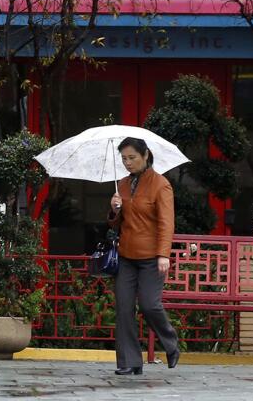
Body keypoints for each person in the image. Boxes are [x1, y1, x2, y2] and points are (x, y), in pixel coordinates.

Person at [107, 136, 180, 376]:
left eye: (132, 158)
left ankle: (170, 343)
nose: (128, 163)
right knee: (124, 307)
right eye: (124, 159)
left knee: (149, 305)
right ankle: (129, 362)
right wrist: (114, 209)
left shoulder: (161, 185)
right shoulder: (123, 185)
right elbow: (115, 225)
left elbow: (166, 223)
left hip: (151, 257)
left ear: (145, 155)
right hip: (126, 256)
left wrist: (163, 255)